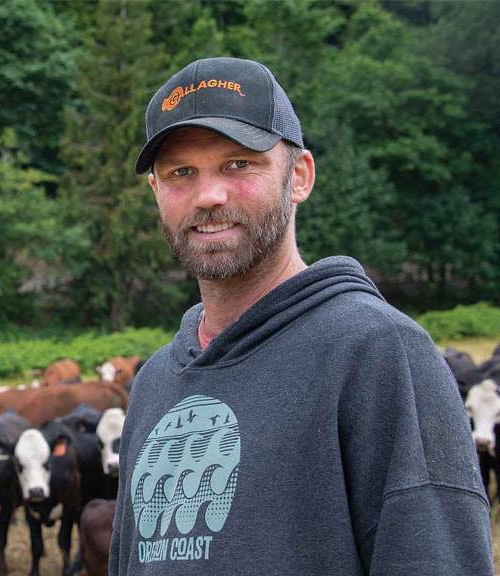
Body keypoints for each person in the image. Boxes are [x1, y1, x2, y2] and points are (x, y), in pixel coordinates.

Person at [109, 57, 493, 575]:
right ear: (156, 192)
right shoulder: (155, 381)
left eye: (238, 164)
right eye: (181, 172)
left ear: (300, 177)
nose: (208, 195)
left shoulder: (379, 354)